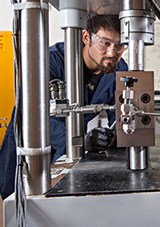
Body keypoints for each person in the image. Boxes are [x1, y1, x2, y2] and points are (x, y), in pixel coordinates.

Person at [0, 13, 128, 199]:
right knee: (18, 200)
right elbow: (36, 114)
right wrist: (78, 140)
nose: (112, 53)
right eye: (105, 43)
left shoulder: (118, 68)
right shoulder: (50, 61)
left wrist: (115, 135)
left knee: (62, 196)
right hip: (30, 140)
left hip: (73, 143)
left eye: (119, 46)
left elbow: (121, 113)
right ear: (86, 37)